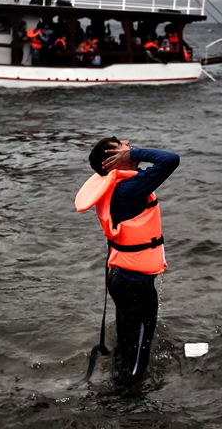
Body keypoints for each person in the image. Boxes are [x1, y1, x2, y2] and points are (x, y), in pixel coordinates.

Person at [75, 138, 180, 390]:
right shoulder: (129, 190)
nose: (127, 144)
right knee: (136, 357)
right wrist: (134, 153)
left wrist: (128, 155)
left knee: (127, 345)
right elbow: (171, 160)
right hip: (135, 286)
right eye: (121, 145)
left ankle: (118, 384)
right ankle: (126, 402)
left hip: (122, 278)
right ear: (115, 160)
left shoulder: (117, 186)